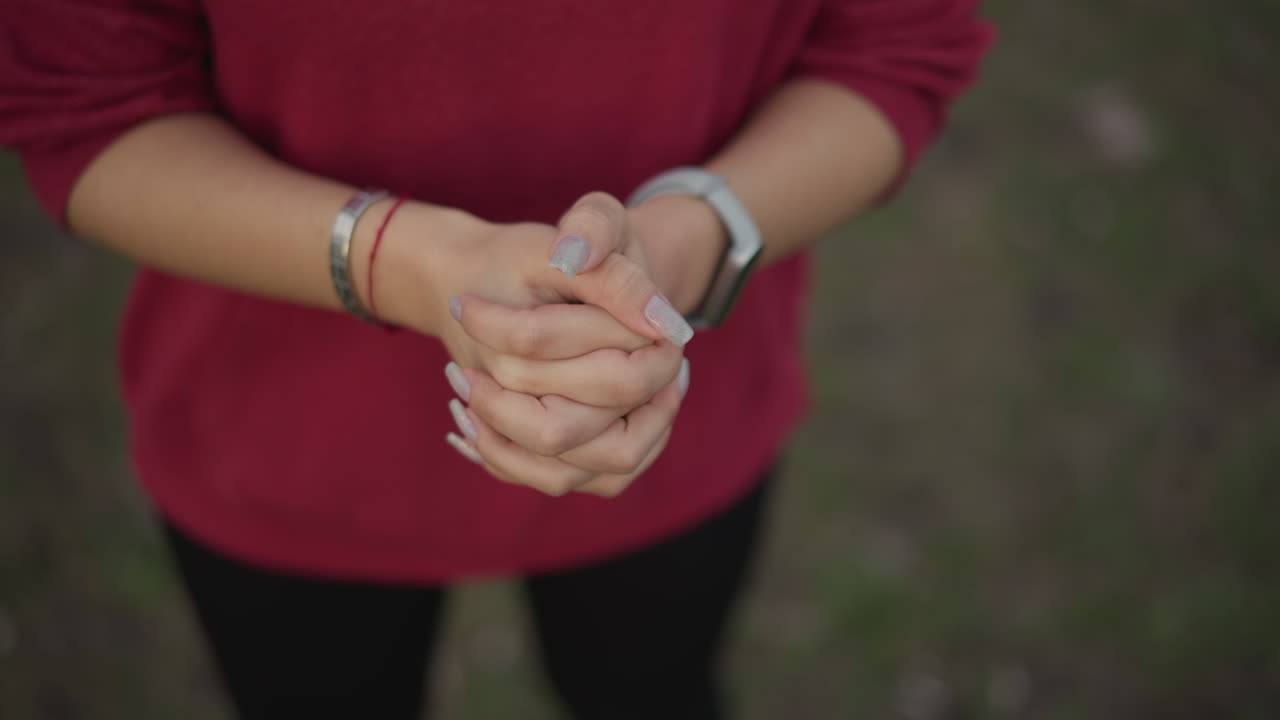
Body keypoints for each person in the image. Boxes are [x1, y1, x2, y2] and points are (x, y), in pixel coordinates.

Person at [0, 1, 993, 718]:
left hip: (665, 422)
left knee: (653, 693)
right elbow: (89, 107)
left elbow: (895, 43)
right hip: (280, 445)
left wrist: (683, 243)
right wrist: (412, 266)